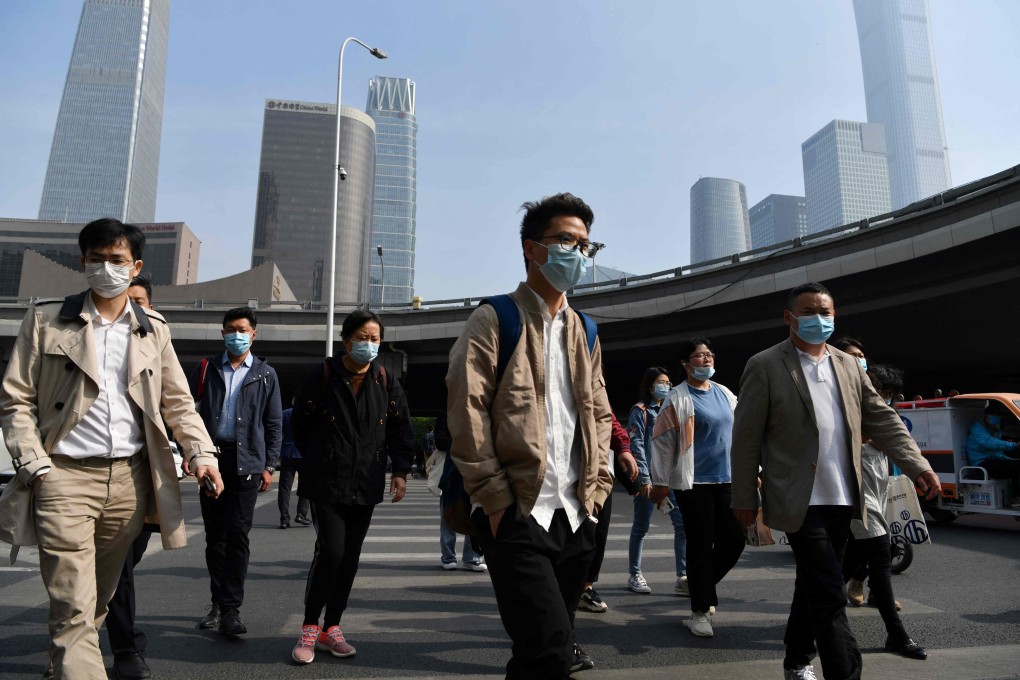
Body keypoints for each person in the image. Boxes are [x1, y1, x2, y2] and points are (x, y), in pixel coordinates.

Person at [0, 218, 222, 680]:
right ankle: (78, 663)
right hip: (61, 476)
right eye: (96, 259)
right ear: (82, 263)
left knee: (98, 594)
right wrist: (34, 462)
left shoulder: (152, 328)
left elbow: (178, 402)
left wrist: (201, 453)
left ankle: (67, 658)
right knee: (70, 597)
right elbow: (15, 397)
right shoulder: (44, 320)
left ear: (135, 266)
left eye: (117, 260)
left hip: (129, 480)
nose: (106, 268)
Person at [730, 281, 940, 680]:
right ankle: (845, 674)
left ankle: (795, 660)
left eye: (826, 312)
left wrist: (917, 465)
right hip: (798, 499)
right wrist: (744, 496)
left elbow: (882, 417)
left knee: (814, 581)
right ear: (789, 318)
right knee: (829, 590)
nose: (819, 319)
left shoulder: (846, 364)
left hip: (844, 496)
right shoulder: (766, 364)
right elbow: (746, 439)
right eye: (809, 311)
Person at [446, 192, 613, 679]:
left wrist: (599, 488)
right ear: (530, 248)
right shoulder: (496, 318)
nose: (577, 253)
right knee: (551, 649)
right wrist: (495, 500)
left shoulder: (586, 329)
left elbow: (600, 415)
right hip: (519, 511)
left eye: (585, 244)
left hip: (578, 514)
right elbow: (467, 410)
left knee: (536, 653)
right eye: (565, 239)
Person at [289, 309, 414, 664]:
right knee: (331, 551)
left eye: (375, 338)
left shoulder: (385, 379)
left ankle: (333, 627)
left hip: (367, 482)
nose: (369, 344)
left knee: (350, 558)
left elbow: (400, 428)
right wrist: (320, 456)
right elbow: (300, 423)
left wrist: (401, 472)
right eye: (362, 337)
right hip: (326, 481)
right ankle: (310, 627)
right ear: (346, 340)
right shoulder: (324, 375)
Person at [189, 306, 282, 636]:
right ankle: (216, 604)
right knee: (215, 536)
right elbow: (192, 414)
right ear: (222, 333)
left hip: (247, 464)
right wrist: (193, 454)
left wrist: (269, 465)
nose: (237, 335)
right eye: (231, 329)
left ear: (254, 334)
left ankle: (231, 609)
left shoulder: (265, 375)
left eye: (243, 330)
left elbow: (273, 424)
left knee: (237, 535)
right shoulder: (208, 368)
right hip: (212, 460)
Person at [650, 337, 743, 638]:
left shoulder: (726, 394)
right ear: (685, 363)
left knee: (735, 540)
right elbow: (663, 445)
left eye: (709, 354)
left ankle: (701, 585)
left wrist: (752, 469)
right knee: (701, 546)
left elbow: (741, 435)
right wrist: (660, 484)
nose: (706, 360)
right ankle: (699, 611)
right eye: (699, 355)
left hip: (727, 479)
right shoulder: (676, 399)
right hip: (694, 484)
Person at [838, 363, 927, 660]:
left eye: (884, 391)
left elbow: (900, 441)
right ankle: (897, 634)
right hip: (855, 493)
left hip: (879, 489)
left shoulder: (883, 415)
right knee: (880, 554)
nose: (878, 394)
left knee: (850, 560)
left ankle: (814, 610)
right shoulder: (844, 404)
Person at [102, 272, 160, 680]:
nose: (131, 306)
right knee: (117, 566)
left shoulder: (159, 343)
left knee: (123, 561)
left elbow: (177, 405)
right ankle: (125, 648)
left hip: (143, 477)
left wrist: (198, 453)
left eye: (138, 300)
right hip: (91, 477)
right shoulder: (98, 342)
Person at [626, 367, 688, 596]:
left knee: (682, 525)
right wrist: (643, 477)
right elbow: (637, 445)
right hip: (649, 480)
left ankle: (682, 577)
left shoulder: (672, 409)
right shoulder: (640, 411)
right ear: (650, 385)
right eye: (661, 382)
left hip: (671, 478)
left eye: (668, 382)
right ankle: (635, 574)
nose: (666, 386)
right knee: (641, 527)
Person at [578, 414, 638, 614]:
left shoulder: (591, 382)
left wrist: (622, 448)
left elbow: (607, 416)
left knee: (597, 534)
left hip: (598, 474)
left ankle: (586, 589)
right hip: (560, 474)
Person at [435, 412, 487, 572]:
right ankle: (449, 556)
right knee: (448, 514)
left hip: (473, 471)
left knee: (475, 513)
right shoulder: (447, 413)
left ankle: (471, 556)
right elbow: (440, 442)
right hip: (452, 471)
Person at [966, 402, 1020, 507]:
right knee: (1016, 467)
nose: (997, 419)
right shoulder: (978, 429)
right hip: (981, 464)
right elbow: (990, 443)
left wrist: (1008, 457)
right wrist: (1014, 445)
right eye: (994, 416)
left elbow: (997, 451)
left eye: (998, 416)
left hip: (992, 460)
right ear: (986, 416)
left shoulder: (994, 429)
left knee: (1016, 463)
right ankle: (1016, 498)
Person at [277, 404, 311, 529]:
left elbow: (277, 432)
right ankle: (301, 514)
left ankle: (284, 519)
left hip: (287, 452)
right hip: (303, 453)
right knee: (306, 485)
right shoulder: (308, 414)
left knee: (285, 487)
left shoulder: (284, 413)